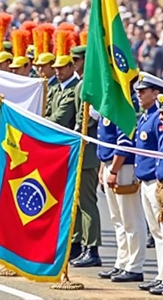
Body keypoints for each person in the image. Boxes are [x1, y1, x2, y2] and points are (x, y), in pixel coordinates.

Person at [96, 115, 146, 283]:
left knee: (130, 218)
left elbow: (124, 142)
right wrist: (104, 168)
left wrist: (114, 170)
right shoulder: (110, 105)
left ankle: (134, 266)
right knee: (117, 219)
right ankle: (122, 261)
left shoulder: (123, 103)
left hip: (123, 165)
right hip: (111, 163)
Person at [70, 45, 103, 269]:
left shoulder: (90, 85)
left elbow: (87, 119)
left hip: (88, 152)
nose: (73, 64)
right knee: (79, 202)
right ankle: (82, 244)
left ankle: (92, 248)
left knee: (87, 202)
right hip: (80, 148)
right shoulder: (83, 83)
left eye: (76, 60)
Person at [132, 73, 163, 294]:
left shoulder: (158, 118)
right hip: (145, 181)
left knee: (161, 232)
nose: (139, 95)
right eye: (138, 91)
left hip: (156, 181)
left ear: (156, 93)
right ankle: (160, 275)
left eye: (144, 91)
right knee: (156, 232)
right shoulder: (145, 117)